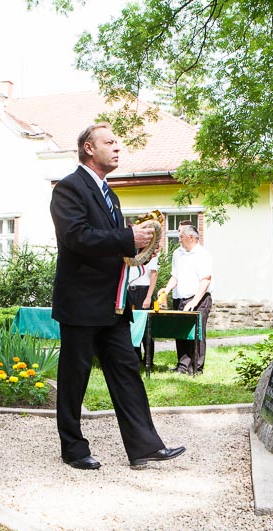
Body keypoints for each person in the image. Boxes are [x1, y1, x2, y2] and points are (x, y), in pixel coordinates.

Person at [49, 122, 185, 470]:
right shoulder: (68, 188)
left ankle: (144, 447)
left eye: (117, 142)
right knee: (74, 379)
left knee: (127, 371)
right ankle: (73, 450)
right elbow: (77, 237)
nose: (117, 147)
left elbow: (111, 245)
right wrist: (128, 238)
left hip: (113, 303)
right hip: (81, 302)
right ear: (88, 148)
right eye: (109, 142)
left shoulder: (111, 195)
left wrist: (140, 250)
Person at [157, 222, 213, 375]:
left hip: (199, 299)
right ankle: (182, 366)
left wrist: (194, 302)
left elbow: (206, 280)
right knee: (181, 333)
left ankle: (196, 368)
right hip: (180, 299)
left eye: (181, 237)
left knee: (197, 334)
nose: (179, 239)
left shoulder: (203, 254)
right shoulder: (178, 253)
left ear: (191, 237)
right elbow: (175, 275)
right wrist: (167, 289)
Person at [128, 254, 158, 360]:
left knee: (145, 326)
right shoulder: (130, 253)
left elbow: (154, 275)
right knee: (132, 325)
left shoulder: (150, 254)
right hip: (130, 289)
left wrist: (148, 296)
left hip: (144, 290)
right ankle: (135, 357)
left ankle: (148, 359)